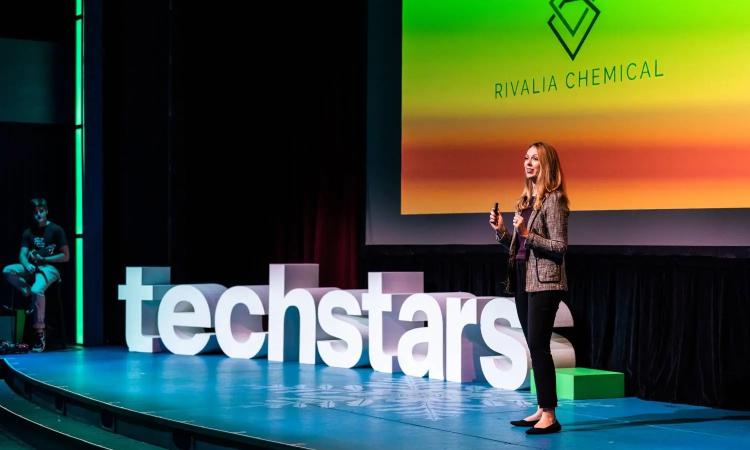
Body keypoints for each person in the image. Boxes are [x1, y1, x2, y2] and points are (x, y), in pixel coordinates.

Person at [489, 141, 570, 435]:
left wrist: (528, 234)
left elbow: (559, 247)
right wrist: (503, 234)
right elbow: (519, 247)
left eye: (535, 158)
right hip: (523, 278)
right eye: (525, 158)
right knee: (533, 348)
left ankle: (550, 415)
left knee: (539, 346)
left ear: (546, 165)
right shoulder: (524, 201)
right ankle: (540, 408)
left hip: (546, 282)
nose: (528, 163)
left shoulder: (554, 200)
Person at [2, 198, 70, 352]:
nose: (38, 214)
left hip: (50, 268)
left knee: (36, 290)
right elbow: (22, 254)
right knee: (8, 270)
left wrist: (44, 259)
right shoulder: (28, 232)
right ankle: (26, 290)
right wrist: (27, 264)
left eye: (41, 211)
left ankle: (40, 333)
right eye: (35, 212)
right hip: (33, 266)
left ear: (46, 211)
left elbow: (66, 256)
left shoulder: (56, 230)